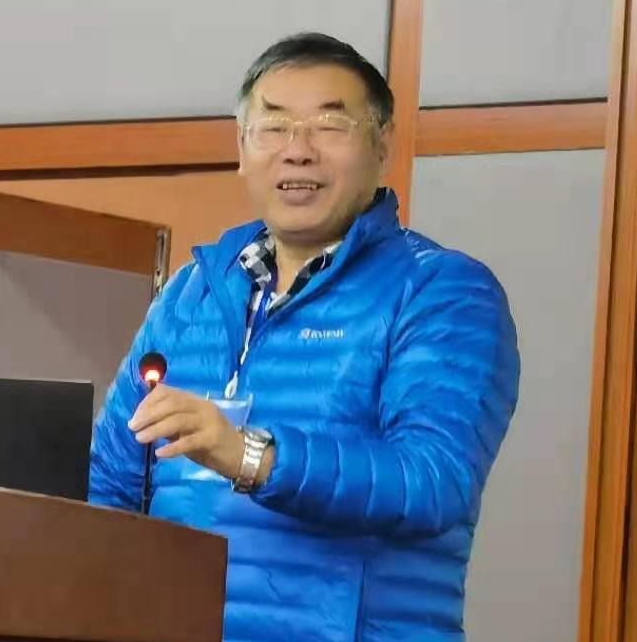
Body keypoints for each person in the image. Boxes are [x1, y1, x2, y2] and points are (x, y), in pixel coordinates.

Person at [90, 33, 519, 642]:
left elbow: (432, 481)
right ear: (242, 148)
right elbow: (108, 483)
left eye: (329, 126)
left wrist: (250, 456)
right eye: (273, 127)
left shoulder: (441, 291)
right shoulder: (192, 292)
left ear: (382, 144)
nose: (298, 151)